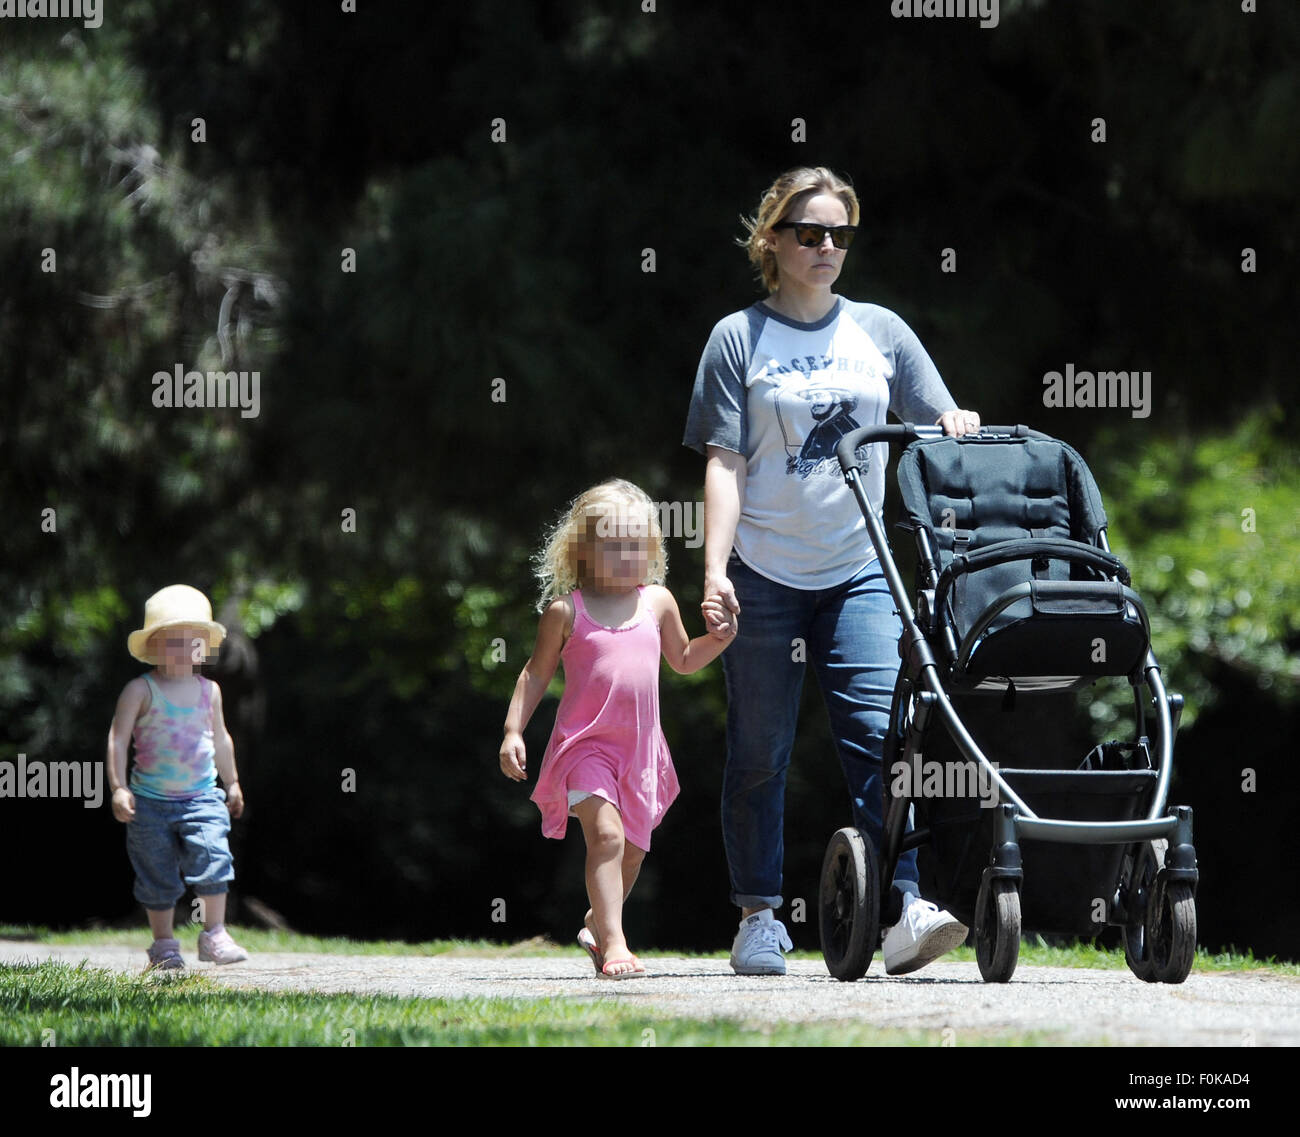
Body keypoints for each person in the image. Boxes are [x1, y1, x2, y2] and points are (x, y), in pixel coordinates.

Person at [683, 165, 983, 976]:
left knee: (883, 743)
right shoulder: (738, 338)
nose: (826, 248)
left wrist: (953, 417)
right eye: (809, 232)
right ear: (771, 241)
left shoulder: (881, 332)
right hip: (766, 574)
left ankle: (904, 907)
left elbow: (939, 419)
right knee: (758, 750)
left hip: (859, 572)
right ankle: (757, 916)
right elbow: (723, 463)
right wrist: (715, 572)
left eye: (839, 235)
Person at [499, 479, 736, 979]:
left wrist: (720, 639)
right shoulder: (566, 611)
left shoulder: (658, 602)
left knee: (631, 851)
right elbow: (535, 672)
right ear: (582, 552)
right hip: (585, 747)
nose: (627, 555)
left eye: (637, 544)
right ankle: (616, 944)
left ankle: (596, 921)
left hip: (642, 750)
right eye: (613, 545)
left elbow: (685, 659)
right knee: (605, 837)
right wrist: (513, 730)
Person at [107, 584, 249, 970]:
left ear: (204, 646)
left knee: (214, 859)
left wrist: (231, 781)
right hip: (149, 801)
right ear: (153, 646)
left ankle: (214, 935)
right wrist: (119, 787)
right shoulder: (141, 689)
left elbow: (220, 739)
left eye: (191, 641)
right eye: (172, 641)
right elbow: (118, 738)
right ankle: (164, 946)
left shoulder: (210, 691)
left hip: (201, 797)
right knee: (156, 875)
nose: (183, 650)